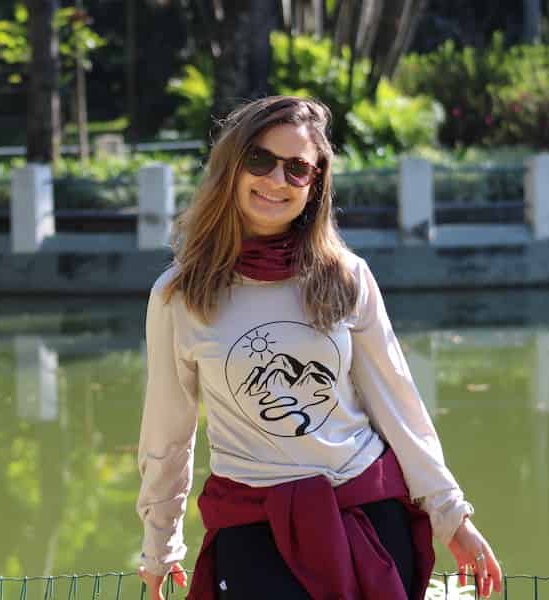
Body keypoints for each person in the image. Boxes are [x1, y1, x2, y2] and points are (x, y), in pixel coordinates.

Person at [135, 95, 503, 600]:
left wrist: (452, 516)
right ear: (231, 167)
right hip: (254, 528)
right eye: (260, 159)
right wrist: (160, 542)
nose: (276, 180)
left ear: (316, 183)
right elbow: (168, 434)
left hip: (365, 517)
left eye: (297, 168)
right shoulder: (180, 295)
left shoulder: (347, 277)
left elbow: (399, 408)